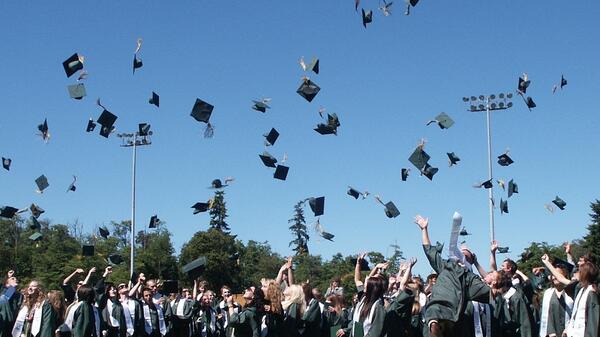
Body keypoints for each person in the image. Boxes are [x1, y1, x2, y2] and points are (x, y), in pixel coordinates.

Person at [414, 215, 491, 337]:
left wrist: (497, 279)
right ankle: (434, 325)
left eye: (466, 255)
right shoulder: (445, 265)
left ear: (470, 261)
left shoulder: (470, 279)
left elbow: (491, 292)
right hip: (436, 312)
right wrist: (424, 230)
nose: (461, 255)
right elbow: (430, 251)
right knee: (433, 314)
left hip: (454, 319)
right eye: (460, 253)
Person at [490, 270, 533, 337]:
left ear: (498, 281)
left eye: (492, 276)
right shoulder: (498, 297)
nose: (490, 277)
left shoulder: (515, 297)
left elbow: (524, 322)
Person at [537, 263, 573, 337]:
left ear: (565, 276)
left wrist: (568, 329)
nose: (555, 277)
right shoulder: (548, 293)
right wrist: (550, 331)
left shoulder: (571, 293)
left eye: (557, 275)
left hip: (569, 333)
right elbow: (544, 314)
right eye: (553, 275)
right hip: (552, 334)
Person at [1, 271, 22, 337]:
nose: (15, 279)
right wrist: (9, 278)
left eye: (16, 279)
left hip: (15, 326)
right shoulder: (3, 293)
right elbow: (6, 297)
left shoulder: (20, 295)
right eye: (13, 279)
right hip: (4, 325)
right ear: (7, 284)